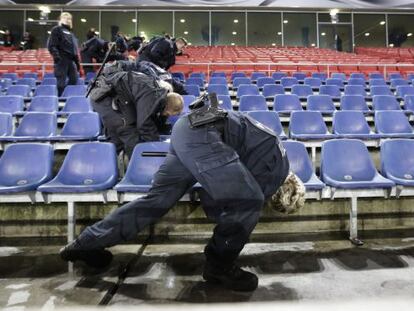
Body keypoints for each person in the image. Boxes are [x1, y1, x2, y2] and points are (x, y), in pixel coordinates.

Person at [60, 93, 306, 292]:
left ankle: (87, 243)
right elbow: (230, 202)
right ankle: (220, 267)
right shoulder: (273, 171)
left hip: (188, 130)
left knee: (155, 201)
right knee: (248, 202)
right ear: (281, 193)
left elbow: (219, 191)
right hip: (204, 136)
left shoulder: (274, 153)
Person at [89, 67, 184, 158]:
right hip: (105, 96)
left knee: (119, 135)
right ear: (168, 108)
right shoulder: (152, 96)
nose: (167, 116)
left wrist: (161, 130)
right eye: (168, 114)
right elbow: (144, 123)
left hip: (108, 96)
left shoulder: (158, 95)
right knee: (129, 132)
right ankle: (136, 164)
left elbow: (151, 118)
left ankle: (120, 163)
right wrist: (155, 143)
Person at [47, 12, 80, 96]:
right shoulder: (56, 29)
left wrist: (77, 62)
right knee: (61, 82)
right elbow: (51, 45)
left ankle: (66, 96)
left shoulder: (71, 33)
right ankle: (59, 100)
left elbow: (74, 49)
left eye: (69, 18)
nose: (67, 20)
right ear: (60, 19)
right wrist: (56, 56)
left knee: (74, 80)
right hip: (61, 59)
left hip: (71, 60)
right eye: (65, 18)